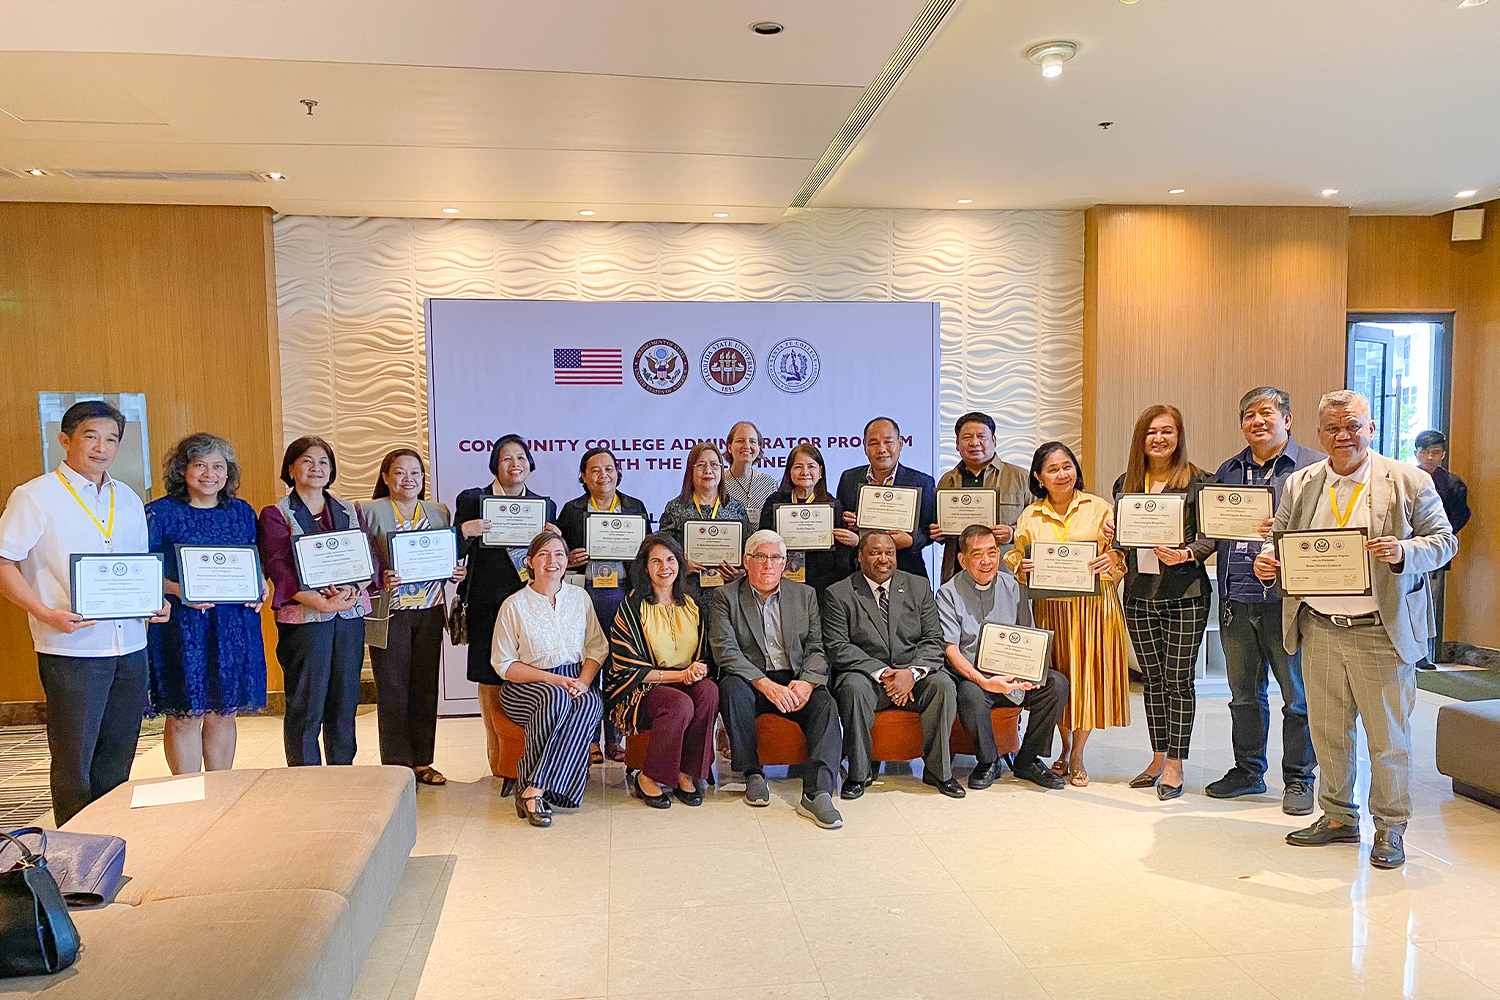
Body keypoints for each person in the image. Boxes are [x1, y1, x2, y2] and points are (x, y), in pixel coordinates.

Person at [1255, 390, 1456, 870]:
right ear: (1319, 432)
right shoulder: (1302, 482)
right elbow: (1280, 538)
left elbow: (1444, 541)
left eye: (1352, 426)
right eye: (1332, 428)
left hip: (1380, 631)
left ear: (1371, 428)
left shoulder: (1407, 480)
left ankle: (1390, 827)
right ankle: (1339, 817)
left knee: (1387, 738)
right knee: (1328, 732)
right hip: (1320, 628)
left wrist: (1405, 552)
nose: (1342, 436)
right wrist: (1270, 561)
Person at [0, 401, 169, 824]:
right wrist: (43, 611)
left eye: (111, 439)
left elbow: (136, 567)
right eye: (91, 437)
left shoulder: (128, 498)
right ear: (65, 440)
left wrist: (154, 602)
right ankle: (76, 856)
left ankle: (111, 838)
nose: (102, 447)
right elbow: (4, 561)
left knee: (119, 748)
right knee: (75, 754)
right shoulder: (35, 496)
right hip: (70, 646)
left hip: (130, 645)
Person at [1205, 387, 1323, 814]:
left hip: (1287, 603)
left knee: (1298, 696)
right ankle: (1248, 771)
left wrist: (1287, 533)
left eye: (1267, 413)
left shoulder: (1312, 468)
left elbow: (1327, 534)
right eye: (1249, 415)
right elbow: (1213, 530)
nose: (1257, 421)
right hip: (1237, 598)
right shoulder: (1229, 469)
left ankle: (1299, 779)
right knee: (1243, 694)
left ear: (1287, 420)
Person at [1006, 442, 1129, 787]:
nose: (1062, 474)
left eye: (1067, 466)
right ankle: (1063, 747)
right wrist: (1023, 566)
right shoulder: (1030, 516)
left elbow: (1120, 553)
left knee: (1087, 680)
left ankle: (1077, 754)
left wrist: (1115, 559)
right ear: (1039, 478)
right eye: (1052, 469)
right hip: (1051, 610)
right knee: (1060, 681)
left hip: (1094, 609)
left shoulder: (1099, 508)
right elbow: (1014, 558)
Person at [1111, 405, 1217, 801]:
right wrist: (1114, 533)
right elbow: (1124, 542)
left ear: (1179, 436)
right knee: (1152, 681)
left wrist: (1188, 553)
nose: (1159, 438)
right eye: (1151, 432)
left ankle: (1176, 762)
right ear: (1141, 438)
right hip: (1139, 594)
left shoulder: (1199, 481)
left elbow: (1211, 535)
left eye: (1167, 431)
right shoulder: (1126, 483)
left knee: (1178, 680)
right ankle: (1157, 756)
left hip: (1184, 595)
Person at [145, 432, 268, 774]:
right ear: (182, 470)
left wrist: (260, 584)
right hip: (181, 626)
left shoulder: (242, 512)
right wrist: (175, 589)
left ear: (228, 473)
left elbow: (252, 562)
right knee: (186, 713)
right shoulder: (160, 513)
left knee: (223, 710)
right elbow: (144, 571)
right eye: (199, 464)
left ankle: (219, 790)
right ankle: (187, 793)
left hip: (232, 625)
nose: (209, 473)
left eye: (218, 466)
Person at [708, 529, 844, 828]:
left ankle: (818, 792)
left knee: (825, 702)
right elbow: (725, 651)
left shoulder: (804, 595)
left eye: (776, 558)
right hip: (751, 679)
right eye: (760, 557)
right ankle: (753, 774)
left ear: (784, 563)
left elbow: (817, 647)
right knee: (730, 688)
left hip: (794, 677)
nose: (768, 565)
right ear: (746, 561)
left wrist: (808, 681)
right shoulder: (725, 597)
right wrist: (764, 683)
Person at [822, 530, 963, 799]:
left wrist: (911, 673)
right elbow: (838, 647)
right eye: (875, 553)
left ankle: (939, 772)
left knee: (943, 684)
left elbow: (933, 640)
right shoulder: (838, 593)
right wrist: (885, 673)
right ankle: (858, 774)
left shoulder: (918, 586)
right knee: (852, 688)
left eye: (889, 552)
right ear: (860, 557)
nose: (883, 559)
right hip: (867, 677)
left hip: (912, 676)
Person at [258, 436, 371, 766]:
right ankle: (305, 778)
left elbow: (368, 558)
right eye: (307, 461)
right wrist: (318, 601)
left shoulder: (348, 510)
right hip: (305, 621)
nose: (316, 468)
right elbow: (276, 564)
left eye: (323, 462)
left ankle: (341, 771)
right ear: (291, 468)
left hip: (348, 617)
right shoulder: (277, 514)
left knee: (345, 698)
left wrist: (352, 591)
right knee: (306, 702)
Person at [358, 448, 465, 786]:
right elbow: (362, 557)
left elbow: (444, 555)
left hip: (430, 610)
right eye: (400, 472)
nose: (408, 479)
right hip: (392, 611)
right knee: (392, 688)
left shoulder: (438, 512)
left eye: (415, 473)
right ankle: (396, 764)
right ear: (386, 477)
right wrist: (380, 577)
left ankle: (422, 761)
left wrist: (455, 571)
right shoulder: (369, 510)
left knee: (424, 687)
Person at [454, 435, 559, 772]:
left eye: (521, 458)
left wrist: (556, 537)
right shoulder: (472, 499)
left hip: (529, 601)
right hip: (486, 598)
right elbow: (453, 552)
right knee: (489, 672)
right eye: (506, 459)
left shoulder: (546, 505)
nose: (515, 465)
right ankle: (495, 747)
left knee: (530, 665)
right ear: (495, 466)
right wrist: (463, 532)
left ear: (530, 465)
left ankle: (528, 752)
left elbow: (552, 558)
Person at [937, 524, 1068, 791]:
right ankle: (988, 761)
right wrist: (984, 681)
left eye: (992, 552)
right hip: (975, 676)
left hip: (1014, 673)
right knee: (971, 696)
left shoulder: (1015, 586)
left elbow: (1028, 636)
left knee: (1057, 685)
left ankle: (1027, 760)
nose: (987, 561)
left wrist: (1028, 674)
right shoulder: (948, 593)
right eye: (977, 554)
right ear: (962, 560)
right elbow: (951, 650)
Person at [492, 530, 607, 827]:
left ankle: (533, 788)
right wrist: (555, 682)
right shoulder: (514, 605)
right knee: (555, 698)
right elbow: (504, 664)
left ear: (567, 561)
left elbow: (597, 647)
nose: (551, 561)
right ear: (529, 562)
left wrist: (583, 682)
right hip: (525, 685)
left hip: (575, 678)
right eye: (543, 554)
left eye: (558, 554)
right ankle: (537, 791)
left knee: (590, 704)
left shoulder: (580, 598)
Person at [606, 533, 717, 809]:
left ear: (679, 564)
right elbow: (628, 667)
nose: (664, 567)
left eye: (670, 559)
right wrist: (680, 676)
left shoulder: (692, 604)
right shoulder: (632, 608)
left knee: (710, 692)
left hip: (685, 679)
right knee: (679, 703)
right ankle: (649, 776)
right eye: (655, 561)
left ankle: (685, 773)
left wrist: (698, 670)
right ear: (645, 567)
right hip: (642, 690)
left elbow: (705, 654)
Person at [557, 446, 651, 758]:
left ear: (618, 473)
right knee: (586, 664)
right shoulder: (571, 511)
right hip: (586, 596)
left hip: (623, 595)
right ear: (583, 477)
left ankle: (614, 737)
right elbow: (559, 555)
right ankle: (589, 739)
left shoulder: (634, 506)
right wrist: (570, 559)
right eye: (595, 470)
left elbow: (647, 556)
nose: (603, 475)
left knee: (618, 666)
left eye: (609, 469)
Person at [835, 417, 938, 581]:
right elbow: (840, 524)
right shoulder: (849, 479)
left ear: (900, 443)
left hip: (907, 570)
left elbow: (928, 530)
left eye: (888, 442)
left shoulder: (922, 482)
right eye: (873, 443)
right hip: (859, 572)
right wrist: (848, 521)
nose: (881, 449)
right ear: (865, 447)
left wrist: (910, 540)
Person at [930, 412, 1029, 582]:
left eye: (981, 436)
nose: (974, 442)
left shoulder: (1020, 478)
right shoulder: (948, 480)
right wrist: (938, 532)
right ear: (957, 444)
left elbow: (1040, 528)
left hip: (1004, 575)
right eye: (967, 437)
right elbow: (938, 526)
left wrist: (1012, 533)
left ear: (994, 441)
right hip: (957, 575)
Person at [758, 443, 859, 591]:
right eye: (798, 466)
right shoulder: (775, 502)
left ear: (821, 472)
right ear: (789, 471)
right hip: (781, 581)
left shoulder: (831, 504)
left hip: (823, 583)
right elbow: (763, 539)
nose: (804, 472)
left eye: (811, 466)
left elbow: (841, 556)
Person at [658, 441, 751, 591]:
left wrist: (741, 572)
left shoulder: (736, 508)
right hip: (687, 592)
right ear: (690, 471)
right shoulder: (675, 508)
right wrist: (681, 566)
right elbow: (662, 550)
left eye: (714, 465)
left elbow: (749, 551)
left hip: (728, 593)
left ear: (721, 471)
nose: (708, 470)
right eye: (701, 465)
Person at [1413, 429, 1470, 669]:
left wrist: (1441, 538)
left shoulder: (1453, 483)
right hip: (1407, 550)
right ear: (1416, 453)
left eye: (1435, 452)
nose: (1429, 457)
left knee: (1430, 601)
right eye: (1424, 452)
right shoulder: (1404, 477)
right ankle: (1409, 651)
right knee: (1409, 601)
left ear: (1443, 455)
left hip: (1436, 552)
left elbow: (1461, 515)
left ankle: (1425, 654)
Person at [723, 420, 780, 524]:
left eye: (752, 441)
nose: (747, 446)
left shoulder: (769, 484)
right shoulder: (719, 483)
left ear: (759, 448)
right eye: (740, 441)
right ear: (729, 447)